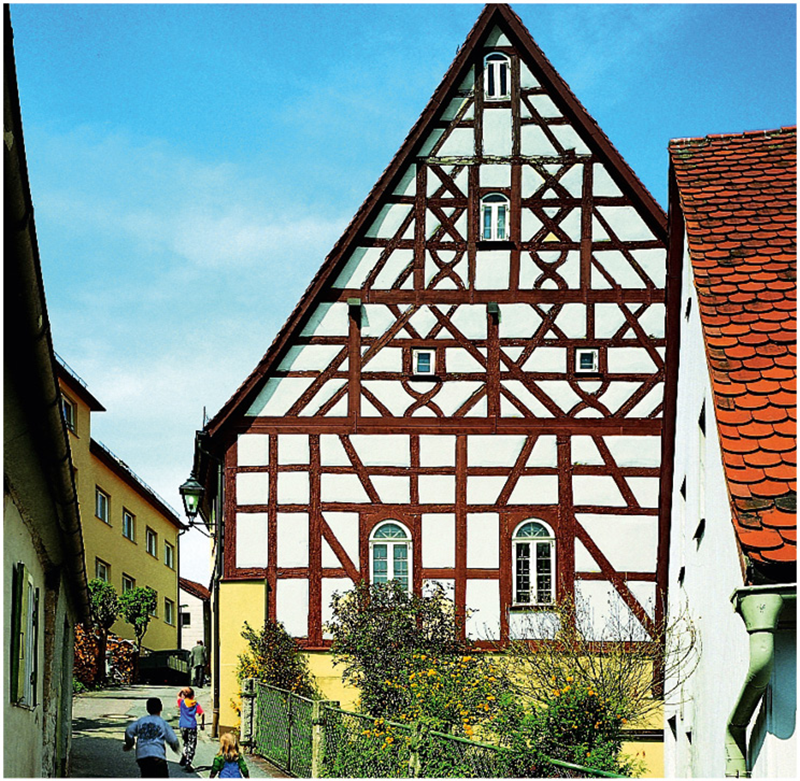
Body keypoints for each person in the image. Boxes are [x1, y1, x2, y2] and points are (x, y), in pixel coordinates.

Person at [123, 697, 180, 778]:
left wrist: (130, 744)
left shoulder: (141, 721)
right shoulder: (162, 723)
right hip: (157, 756)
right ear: (161, 708)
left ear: (147, 708)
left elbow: (129, 731)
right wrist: (176, 748)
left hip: (142, 756)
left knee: (146, 775)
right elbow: (173, 739)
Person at [177, 686, 205, 772]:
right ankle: (188, 763)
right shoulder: (195, 704)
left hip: (182, 725)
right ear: (193, 696)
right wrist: (202, 724)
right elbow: (202, 713)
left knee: (186, 742)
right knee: (192, 744)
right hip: (192, 725)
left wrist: (182, 690)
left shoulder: (181, 702)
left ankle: (184, 754)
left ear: (184, 695)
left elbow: (178, 696)